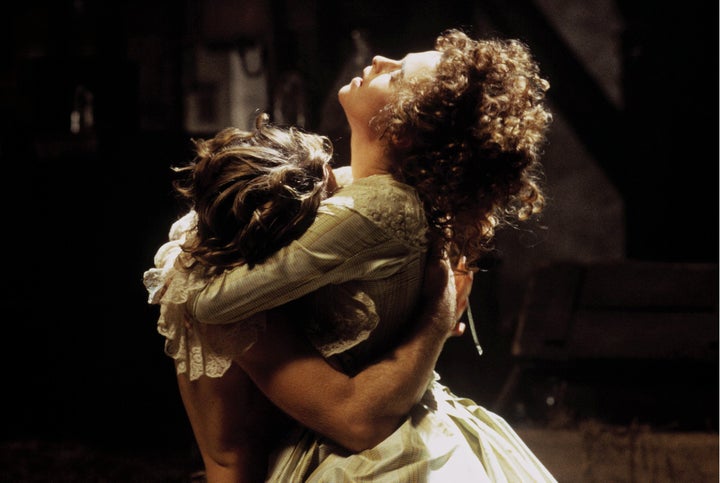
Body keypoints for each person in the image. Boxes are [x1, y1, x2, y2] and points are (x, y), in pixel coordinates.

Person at [180, 27, 556, 481]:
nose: (379, 60)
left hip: (373, 441)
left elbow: (209, 303)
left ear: (401, 130)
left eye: (397, 77)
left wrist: (184, 260)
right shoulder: (367, 193)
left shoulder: (381, 208)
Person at [144, 113, 470, 482]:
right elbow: (353, 422)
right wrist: (438, 314)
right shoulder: (243, 318)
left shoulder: (252, 255)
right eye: (329, 212)